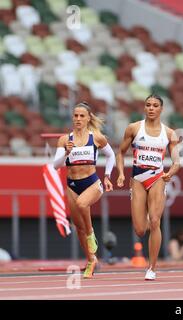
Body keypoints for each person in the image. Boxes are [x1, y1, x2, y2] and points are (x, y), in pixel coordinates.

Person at [116, 94, 180, 281]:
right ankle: (141, 210)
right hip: (137, 178)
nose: (151, 108)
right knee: (140, 230)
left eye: (155, 105)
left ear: (161, 109)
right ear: (144, 108)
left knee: (154, 221)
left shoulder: (169, 134)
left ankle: (152, 267)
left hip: (157, 178)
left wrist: (171, 172)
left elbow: (177, 162)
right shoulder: (134, 128)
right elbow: (120, 153)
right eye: (148, 105)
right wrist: (120, 173)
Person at [53, 102, 115, 278]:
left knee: (82, 204)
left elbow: (110, 155)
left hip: (92, 183)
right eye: (75, 116)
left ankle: (91, 233)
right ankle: (91, 260)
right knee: (78, 226)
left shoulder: (96, 137)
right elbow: (56, 166)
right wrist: (65, 153)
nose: (78, 119)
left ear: (88, 118)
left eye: (82, 116)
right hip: (72, 184)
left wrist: (107, 176)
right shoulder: (65, 140)